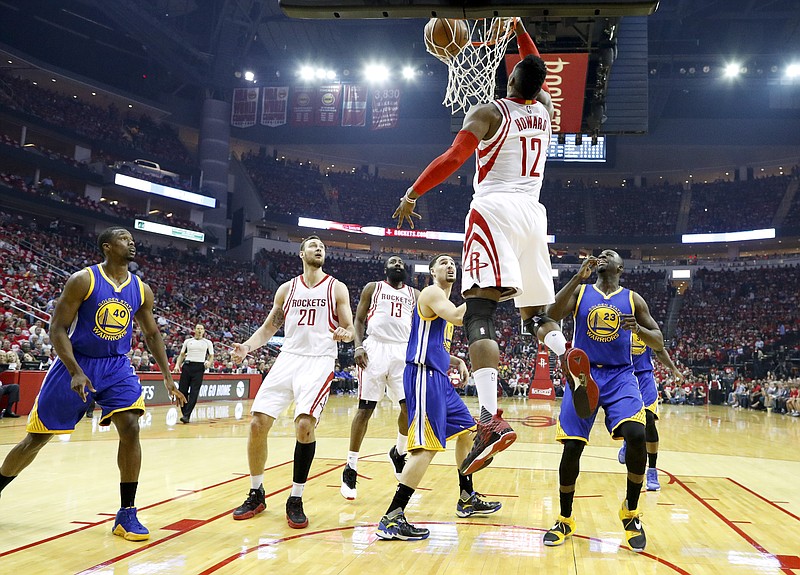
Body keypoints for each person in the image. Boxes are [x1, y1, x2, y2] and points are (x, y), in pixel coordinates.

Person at [392, 20, 598, 476]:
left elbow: (450, 160)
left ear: (508, 77)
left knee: (481, 313)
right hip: (533, 213)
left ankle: (488, 418)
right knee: (538, 315)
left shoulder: (487, 113)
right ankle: (566, 355)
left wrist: (412, 194)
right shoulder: (544, 110)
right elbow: (535, 66)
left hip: (494, 212)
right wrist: (519, 27)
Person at [0, 227, 186, 541]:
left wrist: (168, 376)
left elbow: (152, 334)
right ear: (107, 247)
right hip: (77, 361)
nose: (132, 243)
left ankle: (127, 513)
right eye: (124, 238)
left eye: (132, 239)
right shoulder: (83, 280)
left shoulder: (141, 289)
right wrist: (74, 370)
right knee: (36, 439)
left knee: (131, 426)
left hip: (116, 365)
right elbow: (57, 328)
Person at [542, 250, 665, 553]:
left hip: (622, 375)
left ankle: (631, 513)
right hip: (583, 375)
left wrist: (638, 329)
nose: (604, 254)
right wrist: (575, 278)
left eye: (612, 254)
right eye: (602, 253)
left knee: (638, 434)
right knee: (572, 446)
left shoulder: (634, 299)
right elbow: (551, 315)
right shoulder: (582, 291)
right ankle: (565, 518)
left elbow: (658, 340)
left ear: (621, 267)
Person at [230, 236, 354, 529]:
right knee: (258, 422)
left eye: (323, 245)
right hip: (288, 358)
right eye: (313, 245)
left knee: (303, 425)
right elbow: (269, 327)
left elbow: (349, 328)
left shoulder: (336, 288)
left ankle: (295, 497)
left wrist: (346, 335)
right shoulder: (287, 289)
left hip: (319, 359)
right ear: (301, 254)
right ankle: (256, 492)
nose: (319, 248)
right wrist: (247, 347)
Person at [376, 254, 501, 541]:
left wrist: (453, 359)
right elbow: (459, 316)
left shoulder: (443, 304)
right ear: (432, 271)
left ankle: (467, 497)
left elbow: (436, 337)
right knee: (427, 447)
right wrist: (484, 295)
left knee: (469, 431)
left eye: (452, 263)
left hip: (439, 377)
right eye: (443, 262)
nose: (450, 266)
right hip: (422, 377)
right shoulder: (432, 293)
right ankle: (392, 517)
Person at [341, 256, 418, 500]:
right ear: (385, 268)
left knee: (409, 408)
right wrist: (358, 346)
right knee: (365, 410)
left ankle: (399, 451)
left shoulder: (415, 294)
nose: (398, 263)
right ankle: (350, 467)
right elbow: (359, 319)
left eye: (401, 262)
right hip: (375, 348)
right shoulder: (373, 288)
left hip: (402, 351)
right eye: (393, 261)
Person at [617, 338, 683, 491]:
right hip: (623, 376)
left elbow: (659, 349)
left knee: (649, 420)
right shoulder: (616, 324)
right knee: (630, 421)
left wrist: (674, 369)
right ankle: (628, 440)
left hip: (645, 376)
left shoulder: (646, 325)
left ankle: (652, 470)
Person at [174, 323, 215, 424]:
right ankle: (185, 413)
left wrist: (209, 362)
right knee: (182, 390)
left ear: (204, 331)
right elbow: (182, 354)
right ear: (194, 330)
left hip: (199, 367)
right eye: (198, 329)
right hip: (187, 366)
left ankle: (187, 415)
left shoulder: (208, 342)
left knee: (194, 392)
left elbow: (211, 355)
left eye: (201, 329)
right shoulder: (188, 341)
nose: (199, 330)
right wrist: (177, 365)